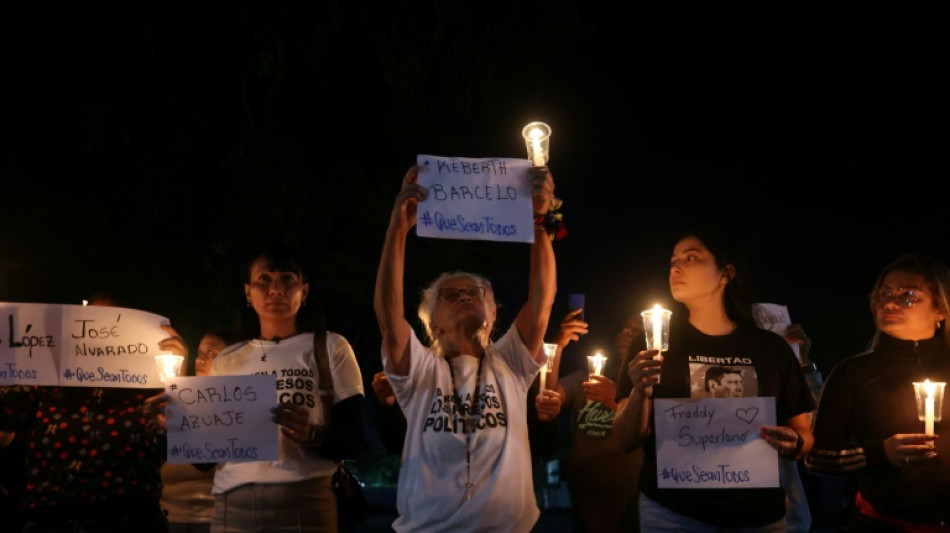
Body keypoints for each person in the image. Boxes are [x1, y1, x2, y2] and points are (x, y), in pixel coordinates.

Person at [373, 164, 558, 532]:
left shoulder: (511, 362)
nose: (464, 296)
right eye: (450, 294)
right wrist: (398, 228)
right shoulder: (421, 371)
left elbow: (541, 302)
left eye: (475, 293)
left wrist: (539, 221)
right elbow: (388, 314)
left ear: (490, 317)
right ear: (433, 324)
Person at [147, 244, 365, 533]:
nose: (276, 289)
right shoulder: (227, 359)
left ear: (305, 291)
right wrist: (169, 427)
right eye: (264, 279)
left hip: (306, 502)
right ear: (248, 292)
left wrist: (312, 434)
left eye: (288, 278)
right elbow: (206, 458)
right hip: (233, 507)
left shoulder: (330, 348)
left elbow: (354, 441)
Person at [612, 231, 816, 532]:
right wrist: (641, 390)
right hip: (672, 515)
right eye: (673, 261)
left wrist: (795, 442)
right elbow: (626, 439)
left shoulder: (771, 349)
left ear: (726, 273)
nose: (676, 267)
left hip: (759, 518)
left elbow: (804, 435)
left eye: (691, 257)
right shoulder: (651, 346)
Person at [0, 293, 187, 533]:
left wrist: (178, 383)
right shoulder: (46, 380)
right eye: (89, 319)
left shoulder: (150, 388)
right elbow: (6, 410)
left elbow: (183, 447)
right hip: (52, 522)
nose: (97, 331)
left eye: (109, 322)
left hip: (129, 522)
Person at [805, 252, 950, 531]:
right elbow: (817, 457)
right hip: (881, 523)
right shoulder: (853, 372)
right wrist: (880, 453)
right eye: (883, 294)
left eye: (908, 295)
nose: (890, 302)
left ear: (940, 308)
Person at [543, 309, 644, 533]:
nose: (627, 333)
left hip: (630, 498)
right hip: (584, 494)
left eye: (636, 330)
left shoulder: (645, 388)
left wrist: (615, 401)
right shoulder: (585, 379)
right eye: (625, 328)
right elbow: (550, 393)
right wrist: (557, 346)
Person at [160, 327, 240, 533]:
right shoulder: (176, 406)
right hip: (169, 519)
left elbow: (205, 459)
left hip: (218, 521)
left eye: (211, 353)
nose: (200, 360)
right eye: (199, 353)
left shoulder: (239, 411)